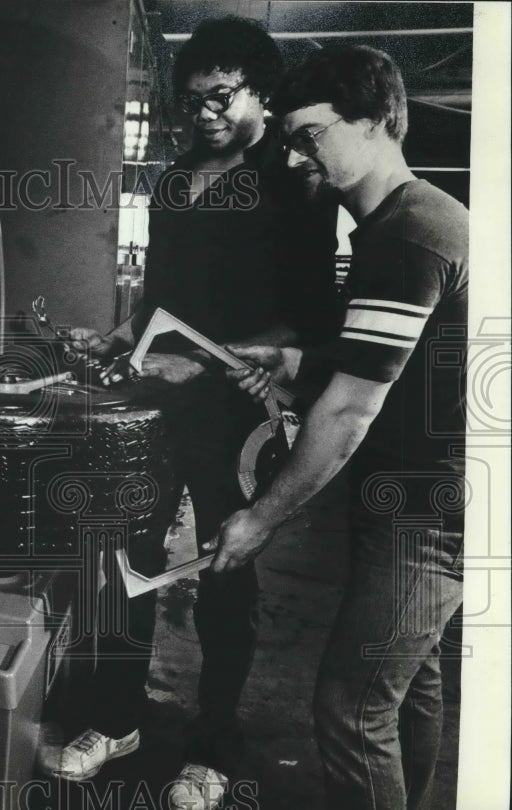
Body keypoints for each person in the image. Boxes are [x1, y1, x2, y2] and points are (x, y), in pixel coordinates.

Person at [47, 16, 338, 805]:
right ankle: (115, 718)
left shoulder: (297, 179)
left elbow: (308, 319)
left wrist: (207, 361)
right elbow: (159, 298)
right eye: (190, 99)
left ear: (261, 94)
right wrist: (118, 337)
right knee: (126, 562)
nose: (203, 112)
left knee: (224, 577)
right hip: (158, 404)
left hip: (237, 412)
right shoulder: (176, 179)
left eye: (220, 96)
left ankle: (211, 748)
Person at [215, 45, 468, 810]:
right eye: (289, 138)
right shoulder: (405, 222)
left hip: (426, 512)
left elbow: (354, 409)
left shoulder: (408, 236)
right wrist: (297, 358)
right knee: (410, 685)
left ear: (379, 121)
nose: (295, 157)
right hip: (415, 495)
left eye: (311, 135)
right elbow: (385, 361)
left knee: (350, 713)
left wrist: (260, 518)